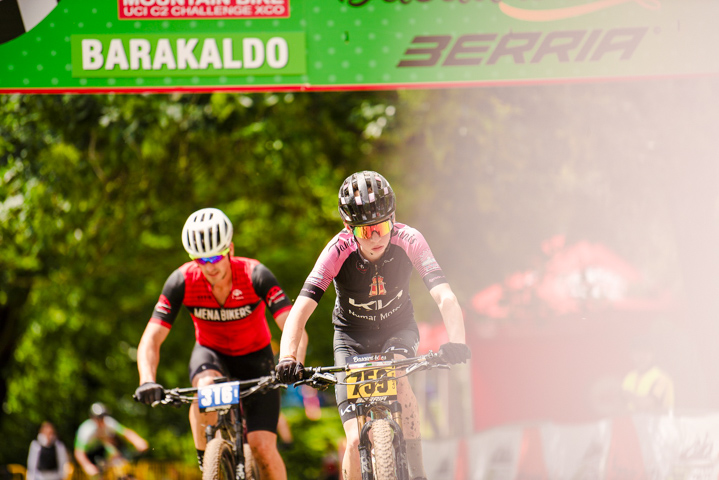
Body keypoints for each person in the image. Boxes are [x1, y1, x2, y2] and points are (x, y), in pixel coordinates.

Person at [275, 171, 471, 480]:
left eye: (382, 227)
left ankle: (418, 473)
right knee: (354, 441)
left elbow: (444, 296)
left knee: (400, 382)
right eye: (365, 231)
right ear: (348, 228)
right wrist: (288, 357)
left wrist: (457, 341)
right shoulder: (336, 251)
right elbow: (299, 310)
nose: (376, 238)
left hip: (398, 329)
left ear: (393, 219)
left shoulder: (410, 239)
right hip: (350, 338)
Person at [134, 207, 307, 479]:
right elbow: (151, 337)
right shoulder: (182, 280)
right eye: (201, 260)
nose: (210, 266)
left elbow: (293, 326)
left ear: (230, 249)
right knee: (204, 389)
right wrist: (146, 380)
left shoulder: (255, 274)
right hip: (211, 354)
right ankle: (208, 463)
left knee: (262, 448)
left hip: (256, 359)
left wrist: (293, 361)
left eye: (216, 256)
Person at [74, 402, 148, 478]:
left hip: (104, 451)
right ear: (92, 418)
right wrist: (87, 465)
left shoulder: (109, 423)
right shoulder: (86, 430)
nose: (101, 420)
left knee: (118, 459)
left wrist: (138, 441)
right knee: (95, 475)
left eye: (103, 417)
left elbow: (126, 433)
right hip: (89, 454)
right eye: (98, 418)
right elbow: (79, 452)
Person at [622, 335, 674, 414]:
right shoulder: (629, 377)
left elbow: (647, 406)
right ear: (631, 355)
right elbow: (621, 407)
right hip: (632, 421)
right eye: (637, 352)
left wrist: (625, 394)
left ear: (652, 355)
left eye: (645, 352)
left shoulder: (661, 378)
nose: (641, 357)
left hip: (659, 422)